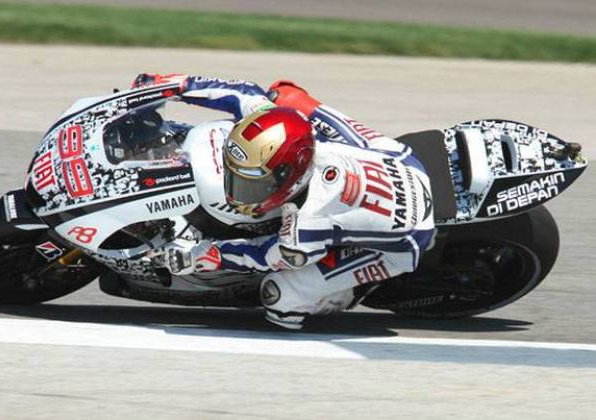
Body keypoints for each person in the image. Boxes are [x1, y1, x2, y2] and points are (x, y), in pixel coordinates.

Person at [134, 73, 436, 329]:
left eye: (252, 184)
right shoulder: (304, 144)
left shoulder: (304, 228)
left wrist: (203, 254)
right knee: (285, 95)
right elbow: (242, 94)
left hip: (410, 234)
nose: (237, 190)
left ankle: (349, 292)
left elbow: (262, 255)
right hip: (400, 160)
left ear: (289, 180)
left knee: (280, 299)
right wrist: (171, 85)